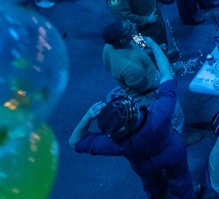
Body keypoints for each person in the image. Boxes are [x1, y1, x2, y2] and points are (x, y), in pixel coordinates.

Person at [70, 37, 194, 199]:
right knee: (180, 177)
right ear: (134, 111)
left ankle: (157, 195)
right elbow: (166, 76)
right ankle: (187, 195)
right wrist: (154, 45)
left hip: (144, 165)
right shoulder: (159, 115)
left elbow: (74, 142)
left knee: (150, 183)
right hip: (172, 152)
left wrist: (87, 117)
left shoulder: (114, 144)